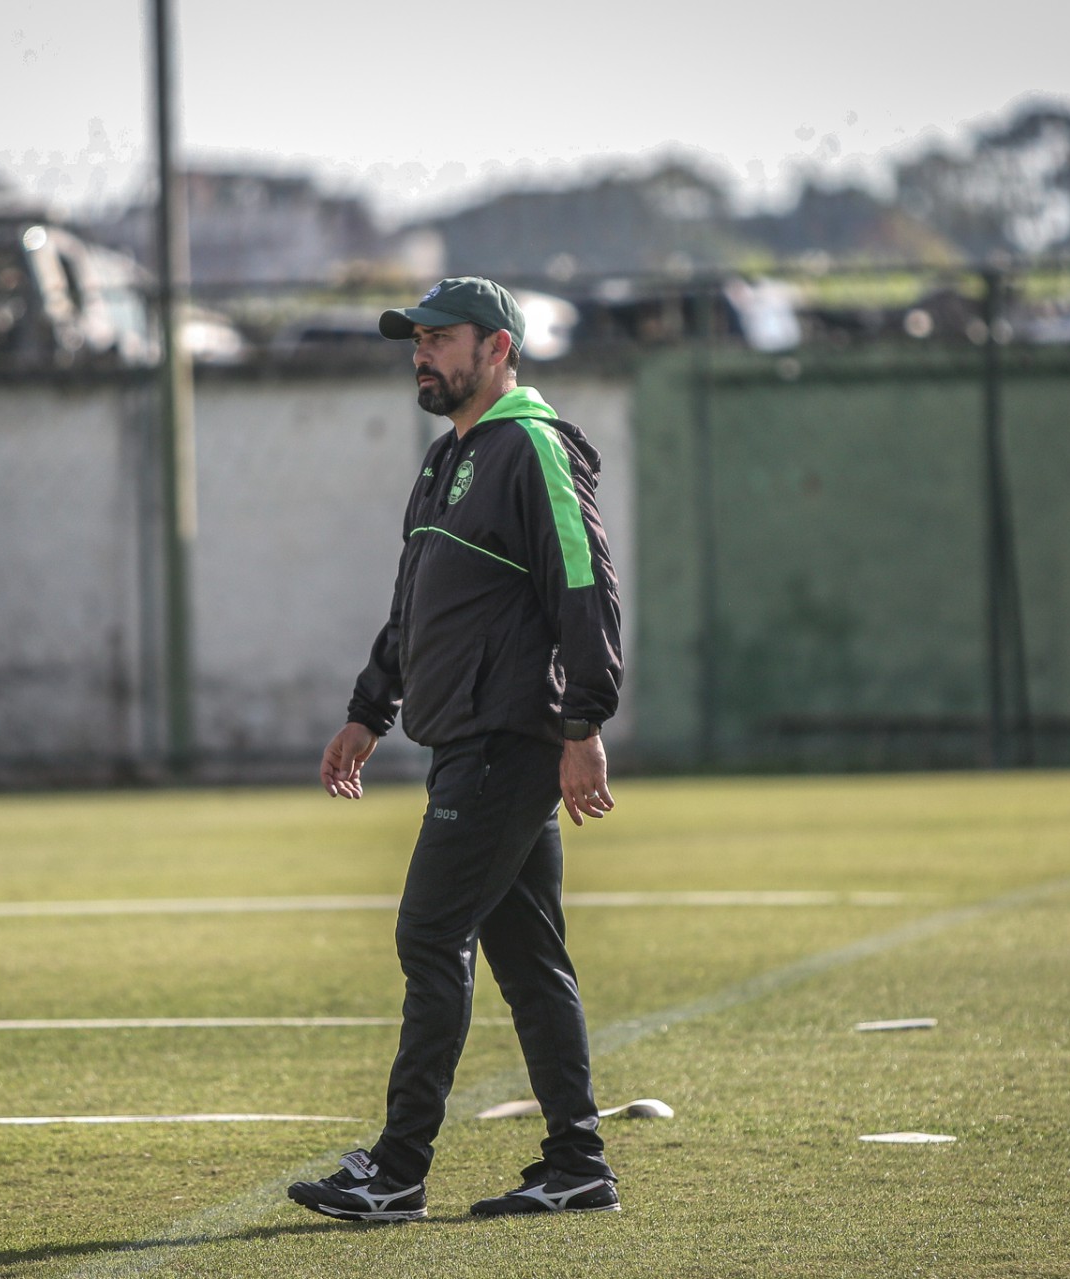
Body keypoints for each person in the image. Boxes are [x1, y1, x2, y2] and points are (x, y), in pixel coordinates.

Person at [288, 277, 624, 1221]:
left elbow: (585, 588)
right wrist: (368, 709)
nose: (422, 354)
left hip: (509, 741)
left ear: (499, 349)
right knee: (530, 958)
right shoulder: (447, 460)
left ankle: (396, 1171)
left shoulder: (535, 448)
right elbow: (413, 605)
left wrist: (584, 726)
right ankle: (578, 1163)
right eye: (416, 341)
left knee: (430, 933)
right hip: (465, 742)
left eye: (441, 339)